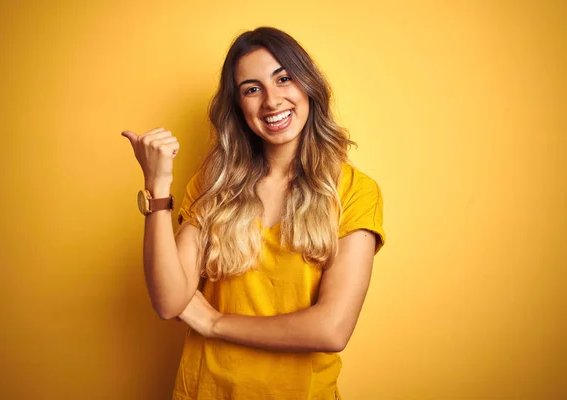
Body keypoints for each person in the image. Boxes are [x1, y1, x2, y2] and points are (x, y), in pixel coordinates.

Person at [121, 26, 386, 400]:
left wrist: (214, 323)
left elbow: (332, 329)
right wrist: (158, 187)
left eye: (284, 79)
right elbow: (169, 300)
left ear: (307, 85)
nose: (272, 101)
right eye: (252, 88)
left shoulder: (355, 191)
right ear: (238, 106)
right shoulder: (213, 184)